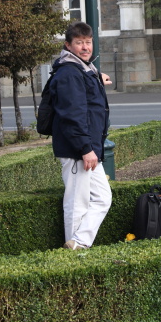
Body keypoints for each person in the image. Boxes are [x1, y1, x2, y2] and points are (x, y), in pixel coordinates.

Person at [50, 21, 112, 250]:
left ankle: (79, 243)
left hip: (88, 148)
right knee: (77, 203)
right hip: (78, 149)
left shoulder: (83, 70)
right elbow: (71, 115)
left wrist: (97, 79)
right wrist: (85, 149)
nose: (85, 47)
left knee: (103, 198)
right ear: (68, 45)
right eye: (79, 43)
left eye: (88, 42)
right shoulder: (69, 72)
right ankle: (74, 253)